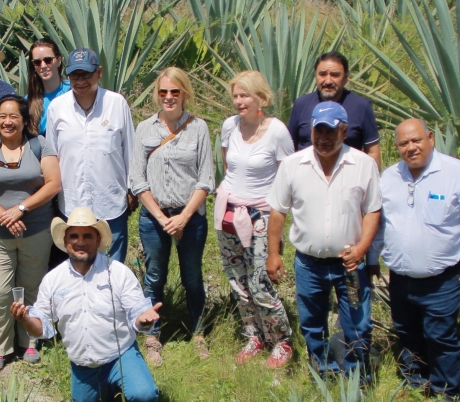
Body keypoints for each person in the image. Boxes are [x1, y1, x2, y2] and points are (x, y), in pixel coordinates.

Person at [11, 207, 161, 402]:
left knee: (144, 395)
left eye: (87, 235)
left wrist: (144, 321)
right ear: (65, 240)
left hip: (119, 355)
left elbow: (137, 314)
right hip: (83, 365)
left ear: (98, 239)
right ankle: (107, 392)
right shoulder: (53, 280)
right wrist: (25, 320)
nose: (80, 241)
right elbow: (40, 327)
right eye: (74, 236)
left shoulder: (117, 272)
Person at [377, 118, 460, 402]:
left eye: (416, 140)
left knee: (440, 335)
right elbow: (378, 223)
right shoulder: (389, 178)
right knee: (406, 332)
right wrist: (371, 260)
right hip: (400, 277)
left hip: (442, 278)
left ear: (430, 138)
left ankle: (447, 393)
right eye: (403, 143)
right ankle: (414, 382)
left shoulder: (457, 174)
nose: (411, 148)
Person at [267, 101, 381, 378]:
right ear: (311, 132)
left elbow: (373, 210)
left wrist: (363, 248)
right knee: (312, 323)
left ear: (344, 131)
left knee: (357, 323)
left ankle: (356, 377)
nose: (324, 138)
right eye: (319, 131)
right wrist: (274, 254)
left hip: (350, 264)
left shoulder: (363, 164)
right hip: (309, 264)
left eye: (331, 132)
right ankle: (323, 370)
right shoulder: (293, 165)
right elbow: (278, 211)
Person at [0, 94, 62, 371]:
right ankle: (1, 348)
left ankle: (29, 342)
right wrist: (3, 214)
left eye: (13, 117)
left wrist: (21, 208)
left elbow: (53, 183)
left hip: (36, 231)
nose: (7, 122)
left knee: (31, 288)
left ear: (24, 120)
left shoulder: (39, 145)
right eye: (2, 117)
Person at [129, 67, 215, 365]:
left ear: (185, 94)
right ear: (157, 94)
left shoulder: (199, 128)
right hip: (154, 217)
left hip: (190, 217)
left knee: (192, 277)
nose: (168, 97)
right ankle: (152, 335)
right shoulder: (144, 129)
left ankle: (199, 332)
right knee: (154, 277)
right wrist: (162, 217)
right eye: (163, 91)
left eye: (175, 91)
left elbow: (206, 179)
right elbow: (137, 180)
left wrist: (183, 217)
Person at [214, 70, 296, 368]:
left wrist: (277, 218)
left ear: (261, 97)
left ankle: (281, 340)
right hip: (228, 211)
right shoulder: (229, 127)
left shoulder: (277, 132)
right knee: (237, 280)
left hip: (261, 215)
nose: (239, 101)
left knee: (260, 281)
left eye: (245, 95)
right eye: (235, 95)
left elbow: (287, 178)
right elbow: (228, 165)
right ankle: (253, 335)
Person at [44, 48, 137, 263]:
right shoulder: (57, 108)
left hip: (111, 204)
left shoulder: (117, 104)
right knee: (77, 268)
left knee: (112, 270)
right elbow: (51, 156)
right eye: (74, 75)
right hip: (71, 204)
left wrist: (132, 190)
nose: (81, 80)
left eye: (86, 74)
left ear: (99, 73)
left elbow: (130, 150)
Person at [288, 52, 383, 170]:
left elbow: (372, 152)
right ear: (315, 76)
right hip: (307, 176)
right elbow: (291, 147)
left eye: (335, 75)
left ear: (346, 78)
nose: (328, 81)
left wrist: (372, 182)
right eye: (322, 74)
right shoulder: (301, 104)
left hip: (348, 178)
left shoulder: (361, 106)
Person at [26, 38, 70, 136]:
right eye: (37, 62)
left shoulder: (73, 91)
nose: (43, 65)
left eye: (48, 60)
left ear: (59, 61)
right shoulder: (28, 102)